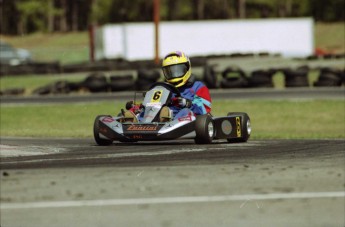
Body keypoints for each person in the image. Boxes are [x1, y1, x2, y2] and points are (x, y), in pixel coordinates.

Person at [124, 51, 212, 122]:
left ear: (187, 68)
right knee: (145, 111)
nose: (174, 74)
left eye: (178, 70)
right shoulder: (164, 88)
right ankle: (132, 120)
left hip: (185, 118)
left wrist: (188, 104)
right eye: (170, 71)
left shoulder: (198, 87)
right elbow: (154, 103)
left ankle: (166, 121)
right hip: (162, 114)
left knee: (185, 112)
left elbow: (205, 109)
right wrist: (140, 106)